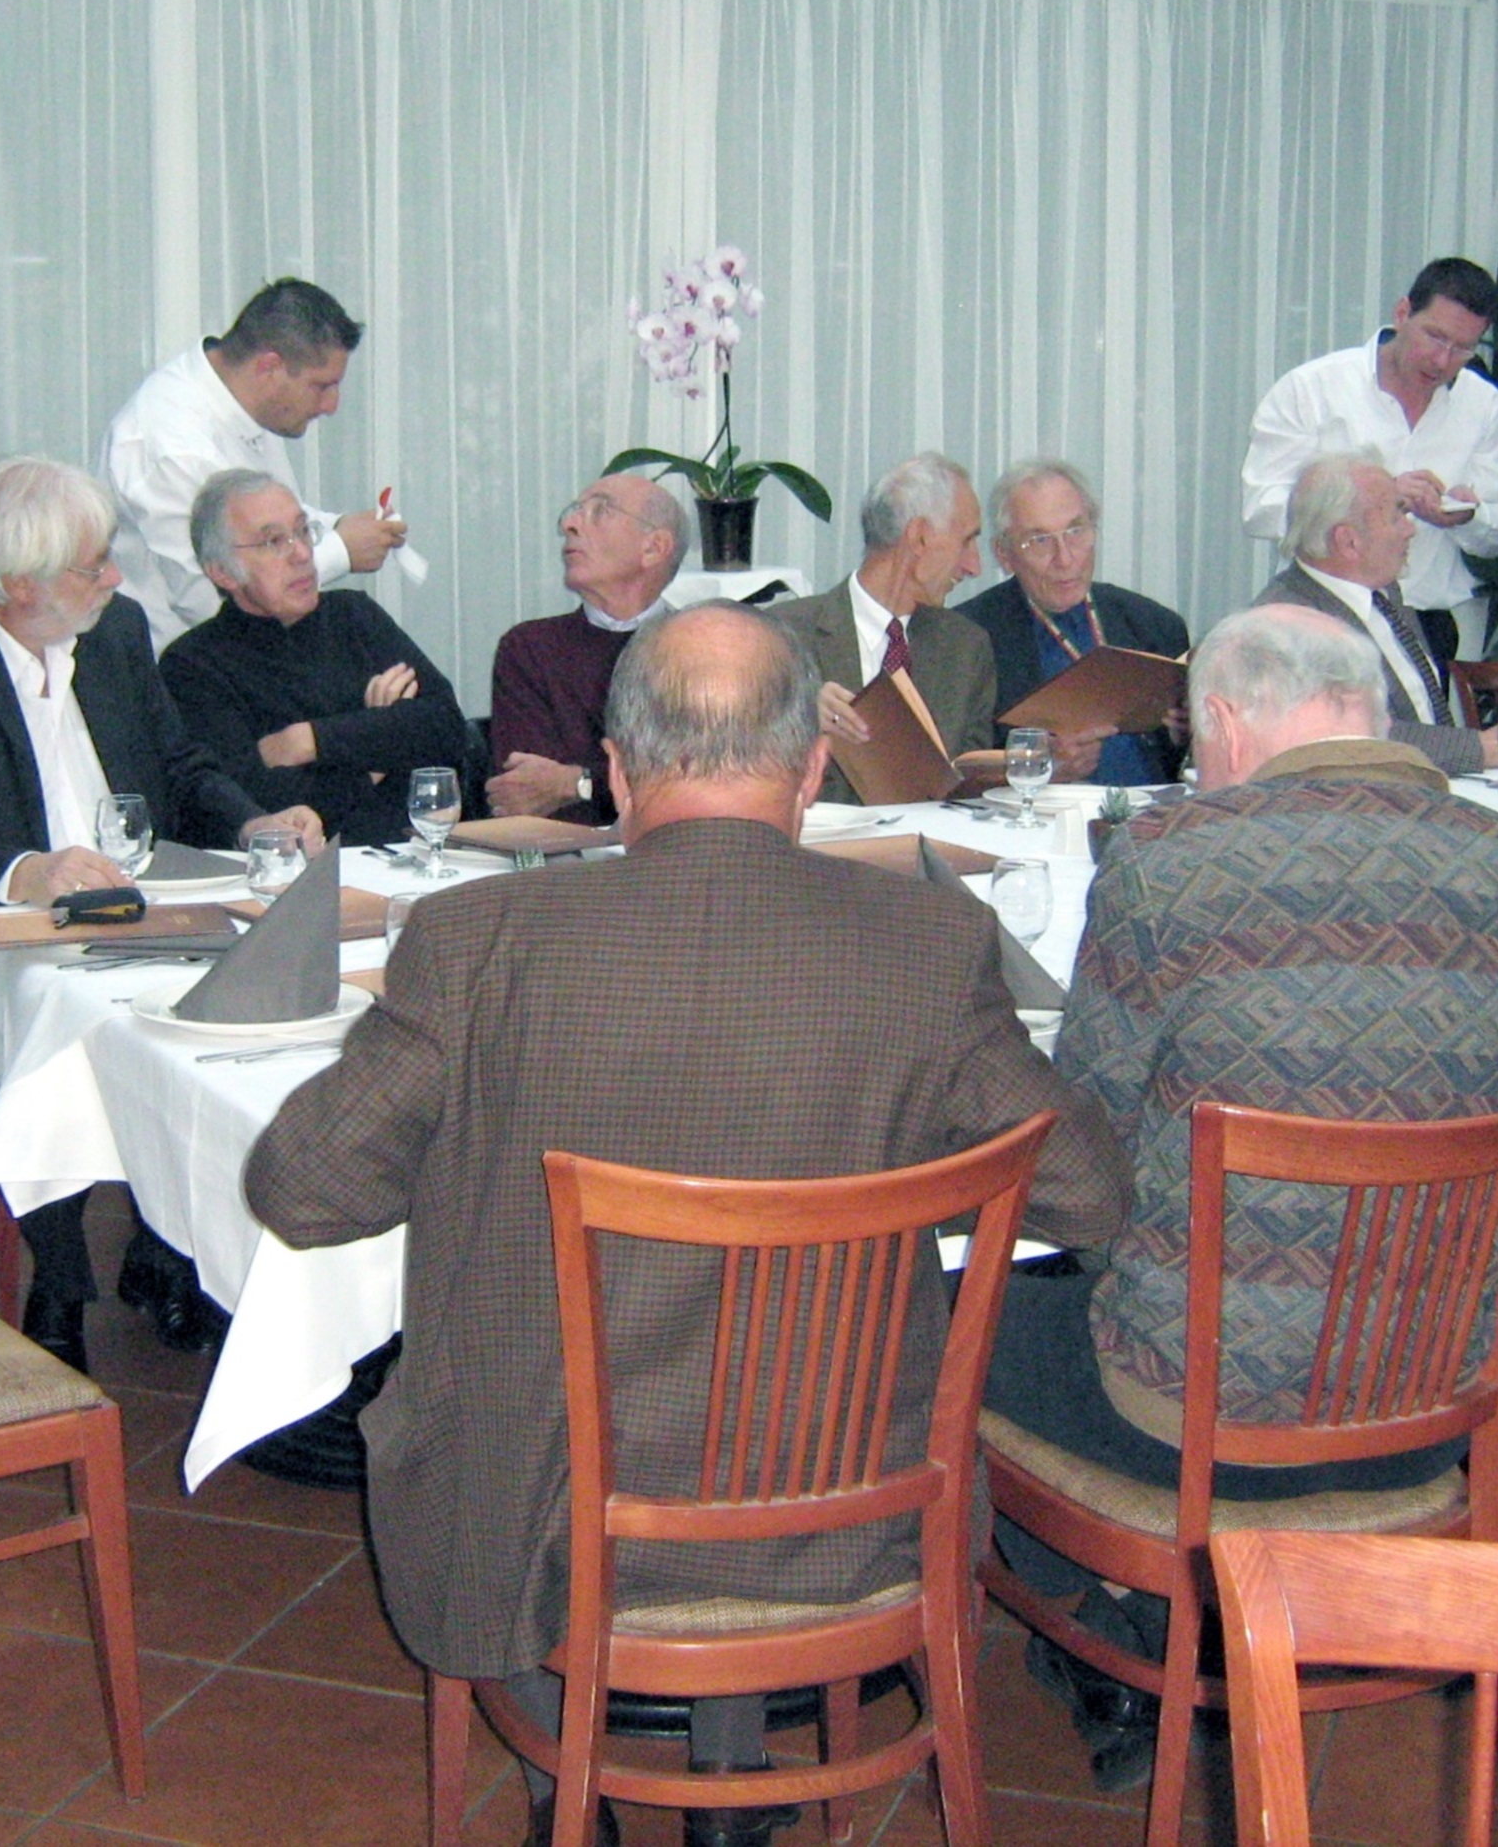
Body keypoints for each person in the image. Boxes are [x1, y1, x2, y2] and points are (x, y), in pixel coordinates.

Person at [244, 602, 1126, 1847]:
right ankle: (726, 1780)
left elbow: (302, 1186)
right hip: (849, 1516)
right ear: (811, 767)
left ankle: (563, 1785)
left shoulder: (477, 942)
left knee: (536, 1374)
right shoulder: (928, 946)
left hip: (540, 1524)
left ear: (614, 768)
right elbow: (1090, 1193)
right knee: (751, 1377)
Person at [989, 602, 1498, 1791]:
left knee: (940, 1321)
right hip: (1435, 1414)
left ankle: (1116, 1628)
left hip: (1190, 1427)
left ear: (1223, 722)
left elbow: (1087, 1171)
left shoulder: (1164, 864)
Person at [0, 457, 320, 1370]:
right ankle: (61, 1282)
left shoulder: (114, 633)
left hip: (145, 913)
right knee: (62, 1036)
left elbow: (179, 765)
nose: (113, 576)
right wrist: (27, 869)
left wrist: (250, 821)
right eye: (92, 564)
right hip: (16, 942)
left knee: (220, 1032)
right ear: (20, 585)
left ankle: (172, 1256)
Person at [96, 277, 408, 651]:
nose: (331, 406)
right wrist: (341, 550)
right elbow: (212, 595)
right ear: (270, 367)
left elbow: (267, 522)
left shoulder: (242, 401)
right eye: (321, 386)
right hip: (181, 668)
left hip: (250, 654)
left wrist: (337, 526)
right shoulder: (172, 447)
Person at [161, 470, 467, 844]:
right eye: (274, 541)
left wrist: (308, 740)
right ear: (223, 572)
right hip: (302, 870)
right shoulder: (193, 665)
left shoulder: (354, 615)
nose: (303, 554)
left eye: (303, 531)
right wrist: (378, 746)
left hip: (410, 850)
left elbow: (447, 729)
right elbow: (264, 806)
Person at [1243, 255, 1498, 661]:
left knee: (1425, 708)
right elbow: (1260, 510)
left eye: (1463, 348)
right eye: (1435, 337)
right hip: (1325, 612)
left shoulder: (1485, 406)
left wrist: (1467, 517)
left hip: (1427, 623)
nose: (1442, 360)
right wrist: (1371, 501)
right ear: (1402, 313)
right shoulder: (1313, 390)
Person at [766, 452, 999, 803]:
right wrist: (798, 716)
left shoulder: (966, 649)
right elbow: (732, 757)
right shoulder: (782, 636)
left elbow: (970, 789)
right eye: (967, 541)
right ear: (919, 537)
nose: (974, 566)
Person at [1254, 451, 1497, 775]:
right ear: (1349, 541)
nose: (1410, 530)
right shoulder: (1288, 622)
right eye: (1397, 517)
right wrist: (1477, 749)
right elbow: (1345, 735)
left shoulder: (1384, 593)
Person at [954, 459, 1189, 785]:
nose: (1065, 558)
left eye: (1076, 532)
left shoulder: (1155, 625)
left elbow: (1186, 764)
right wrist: (1040, 770)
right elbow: (956, 772)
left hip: (1152, 811)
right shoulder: (967, 637)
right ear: (1004, 554)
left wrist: (1189, 734)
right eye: (1040, 540)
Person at [484, 473, 686, 824]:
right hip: (565, 853)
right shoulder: (530, 648)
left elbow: (700, 779)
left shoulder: (700, 648)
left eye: (600, 510)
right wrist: (618, 781)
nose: (569, 525)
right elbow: (525, 792)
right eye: (574, 511)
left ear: (653, 548)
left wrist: (577, 782)